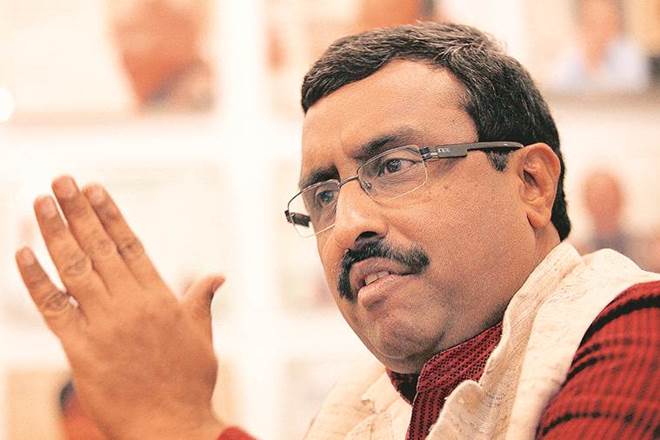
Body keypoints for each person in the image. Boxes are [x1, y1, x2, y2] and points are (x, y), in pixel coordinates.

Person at [14, 23, 659, 440]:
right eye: (323, 194)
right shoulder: (359, 411)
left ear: (531, 184)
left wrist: (177, 423)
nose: (348, 224)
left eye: (395, 165)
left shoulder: (637, 332)